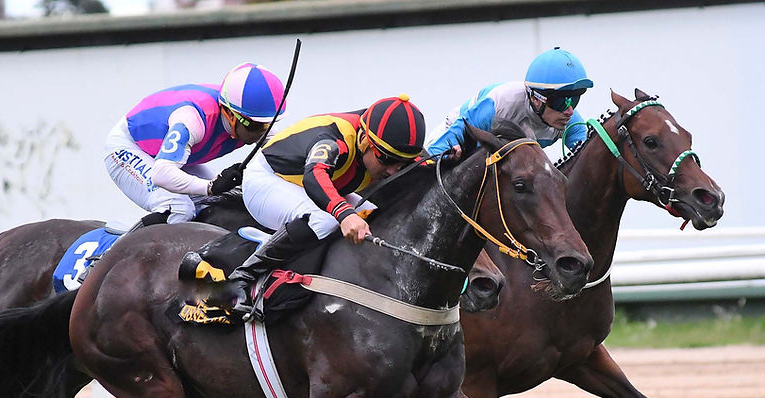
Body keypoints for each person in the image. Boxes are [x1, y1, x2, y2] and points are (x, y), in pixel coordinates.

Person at [225, 94, 427, 318]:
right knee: (327, 219)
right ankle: (241, 277)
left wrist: (448, 159)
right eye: (386, 159)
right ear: (364, 140)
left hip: (302, 184)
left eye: (401, 163)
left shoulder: (382, 138)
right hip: (267, 180)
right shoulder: (335, 139)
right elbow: (314, 177)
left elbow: (426, 163)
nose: (392, 170)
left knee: (371, 215)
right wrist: (344, 214)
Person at [104, 62, 286, 228]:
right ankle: (115, 252)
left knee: (221, 202)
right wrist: (210, 186)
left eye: (268, 124)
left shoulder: (252, 120)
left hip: (176, 156)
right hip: (130, 147)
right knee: (178, 208)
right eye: (254, 126)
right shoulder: (192, 119)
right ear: (231, 115)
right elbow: (161, 174)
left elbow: (284, 159)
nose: (262, 132)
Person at [426, 47, 593, 158]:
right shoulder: (499, 104)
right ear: (536, 99)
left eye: (574, 100)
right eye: (561, 102)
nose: (569, 111)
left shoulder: (570, 120)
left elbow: (587, 162)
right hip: (453, 135)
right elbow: (436, 150)